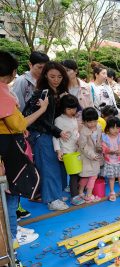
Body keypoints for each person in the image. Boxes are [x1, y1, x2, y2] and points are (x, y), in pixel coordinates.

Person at [0, 51, 48, 250]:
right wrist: (42, 109)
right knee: (10, 194)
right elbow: (19, 125)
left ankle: (11, 232)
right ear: (12, 73)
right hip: (8, 149)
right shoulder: (4, 93)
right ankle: (10, 239)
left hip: (7, 145)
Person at [23, 61, 70, 211]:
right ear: (45, 76)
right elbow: (40, 119)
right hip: (41, 135)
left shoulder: (52, 92)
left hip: (46, 134)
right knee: (49, 167)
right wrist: (58, 131)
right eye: (52, 76)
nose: (56, 80)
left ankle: (53, 195)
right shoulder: (44, 93)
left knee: (51, 166)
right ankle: (52, 200)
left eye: (59, 77)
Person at [53, 94, 84, 205]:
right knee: (73, 174)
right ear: (63, 108)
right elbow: (55, 136)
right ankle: (74, 196)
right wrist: (58, 150)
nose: (72, 111)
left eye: (74, 108)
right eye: (69, 108)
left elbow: (75, 133)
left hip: (75, 150)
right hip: (66, 152)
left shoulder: (74, 119)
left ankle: (74, 190)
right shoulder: (59, 120)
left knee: (76, 173)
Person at [77, 107, 103, 203]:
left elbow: (99, 140)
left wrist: (100, 147)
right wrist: (92, 155)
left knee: (86, 175)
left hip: (95, 154)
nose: (93, 124)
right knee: (93, 175)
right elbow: (82, 146)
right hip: (87, 156)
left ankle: (80, 191)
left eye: (94, 121)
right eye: (90, 122)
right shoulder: (83, 131)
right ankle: (88, 194)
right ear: (84, 121)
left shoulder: (99, 127)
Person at [102, 117, 120, 201]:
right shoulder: (105, 137)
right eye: (112, 128)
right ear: (108, 128)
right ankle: (112, 192)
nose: (115, 130)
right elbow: (103, 148)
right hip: (109, 161)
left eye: (117, 127)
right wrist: (111, 151)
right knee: (111, 177)